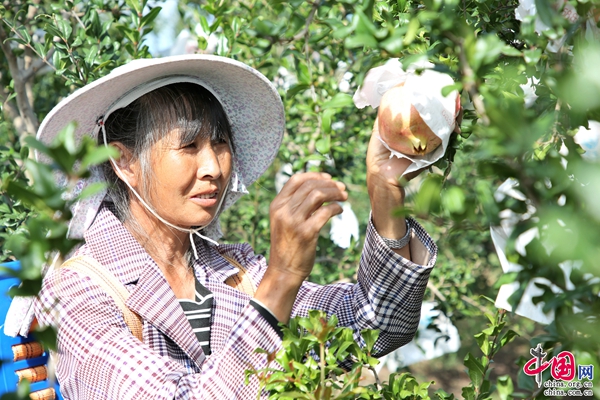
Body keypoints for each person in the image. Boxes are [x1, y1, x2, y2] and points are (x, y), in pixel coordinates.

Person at [28, 55, 437, 399]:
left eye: (220, 143)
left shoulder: (232, 271)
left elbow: (377, 324)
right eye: (189, 146)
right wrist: (281, 279)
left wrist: (385, 192)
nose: (214, 168)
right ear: (125, 161)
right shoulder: (77, 289)